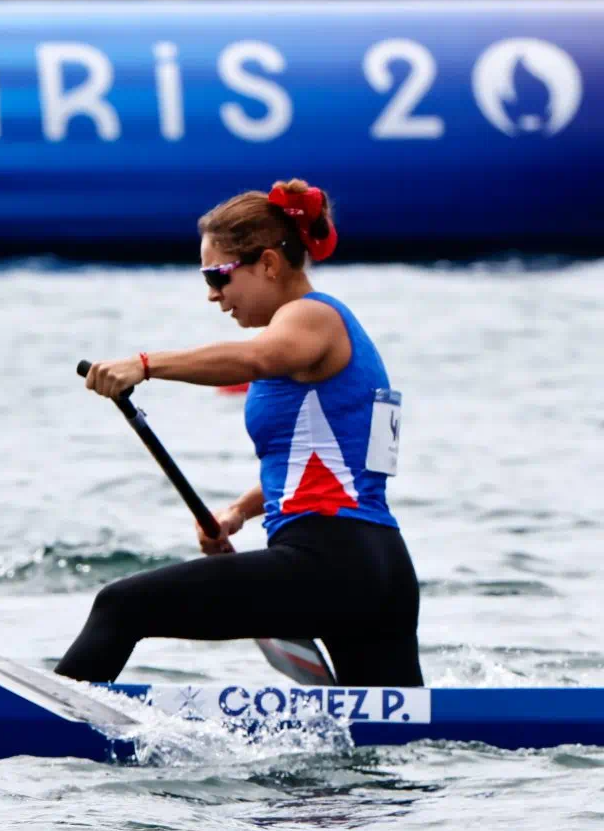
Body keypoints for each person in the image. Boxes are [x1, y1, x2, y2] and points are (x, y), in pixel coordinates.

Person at [60, 179, 422, 688]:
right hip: (381, 568)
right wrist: (237, 512)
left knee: (119, 606)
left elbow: (256, 358)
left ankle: (38, 727)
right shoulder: (334, 334)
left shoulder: (311, 317)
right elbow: (337, 462)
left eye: (218, 276)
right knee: (391, 730)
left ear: (269, 264)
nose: (212, 295)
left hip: (326, 563)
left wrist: (144, 365)